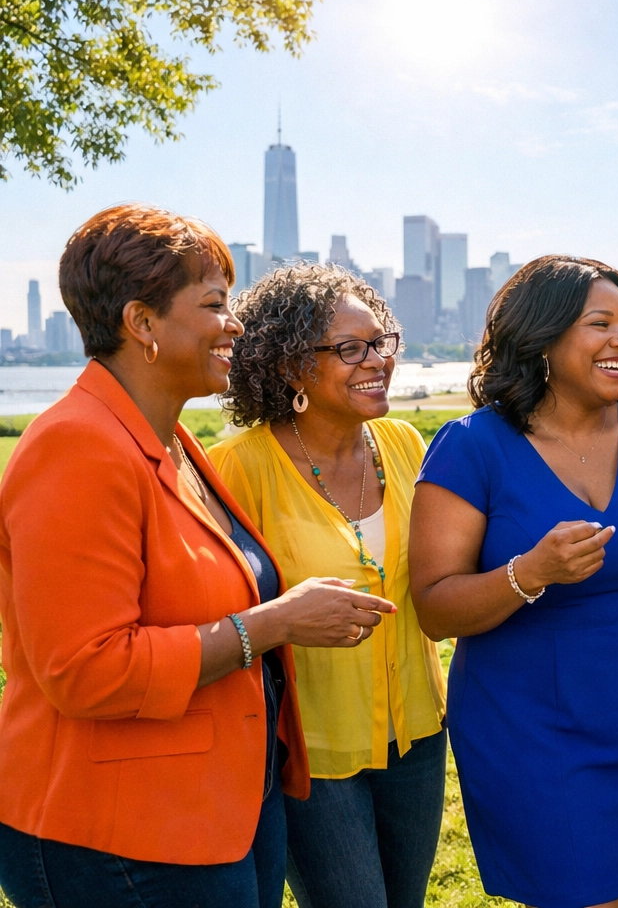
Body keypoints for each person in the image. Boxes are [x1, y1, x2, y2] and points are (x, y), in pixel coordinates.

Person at [0, 204, 394, 908]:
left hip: (221, 812)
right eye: (214, 304)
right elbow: (85, 671)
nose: (235, 324)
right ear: (142, 324)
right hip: (119, 840)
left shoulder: (174, 444)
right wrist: (274, 624)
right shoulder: (78, 447)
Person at [409, 255, 618, 908]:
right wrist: (528, 573)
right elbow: (434, 608)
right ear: (543, 338)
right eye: (602, 323)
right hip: (531, 732)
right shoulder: (470, 447)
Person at [209, 263, 447, 908]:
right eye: (349, 349)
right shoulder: (237, 466)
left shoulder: (403, 443)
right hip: (310, 750)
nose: (376, 361)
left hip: (420, 736)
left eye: (380, 342)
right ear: (290, 367)